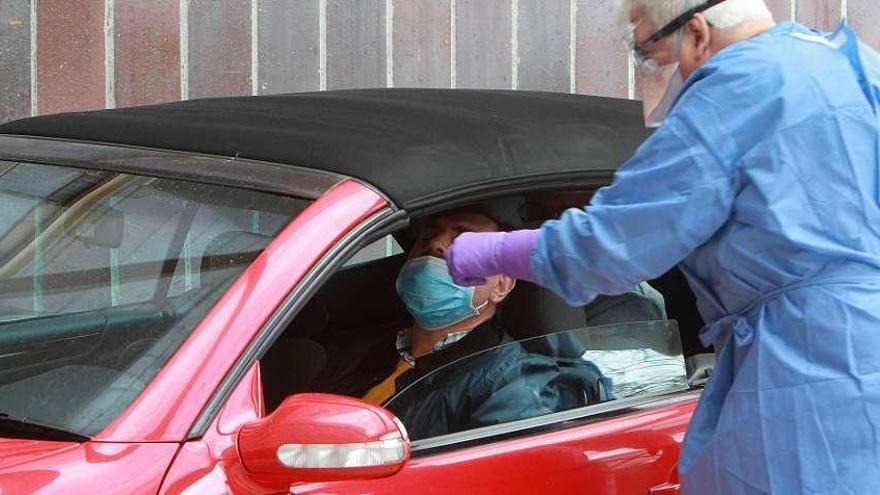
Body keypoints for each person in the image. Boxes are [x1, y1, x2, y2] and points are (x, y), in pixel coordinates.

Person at [447, 1, 880, 493]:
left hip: (806, 376)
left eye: (648, 51)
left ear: (696, 32)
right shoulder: (851, 64)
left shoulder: (733, 90)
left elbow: (611, 246)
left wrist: (489, 252)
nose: (649, 73)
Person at [366, 208, 666, 440]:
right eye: (430, 233)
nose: (436, 244)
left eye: (463, 240)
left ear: (501, 286)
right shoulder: (360, 347)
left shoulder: (513, 388)